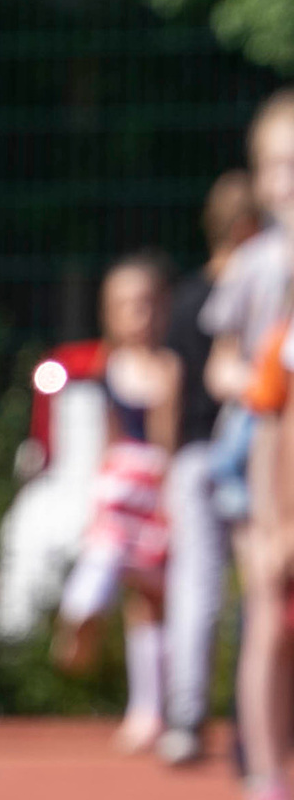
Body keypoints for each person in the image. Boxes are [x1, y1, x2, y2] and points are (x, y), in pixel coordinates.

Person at [204, 94, 294, 800]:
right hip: (259, 456)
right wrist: (260, 384)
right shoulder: (256, 265)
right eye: (278, 165)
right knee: (269, 612)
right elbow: (221, 365)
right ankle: (268, 779)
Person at [51, 256, 180, 750]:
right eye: (126, 306)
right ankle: (80, 613)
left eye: (147, 304)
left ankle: (155, 709)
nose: (138, 316)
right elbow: (107, 437)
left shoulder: (170, 368)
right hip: (120, 490)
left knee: (151, 601)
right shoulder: (108, 368)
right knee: (104, 559)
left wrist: (168, 499)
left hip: (157, 489)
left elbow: (167, 440)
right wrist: (101, 490)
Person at [157, 172, 260, 766]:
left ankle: (187, 716)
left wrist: (168, 460)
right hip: (247, 457)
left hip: (196, 454)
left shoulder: (188, 297)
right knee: (256, 588)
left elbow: (170, 387)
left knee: (196, 586)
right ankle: (248, 720)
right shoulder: (260, 290)